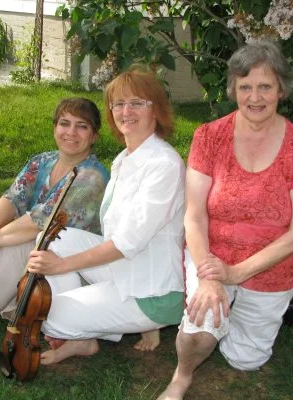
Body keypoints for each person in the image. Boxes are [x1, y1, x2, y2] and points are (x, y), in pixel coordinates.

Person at [158, 39, 293, 400]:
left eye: (265, 86)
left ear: (281, 89)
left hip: (271, 267)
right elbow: (195, 215)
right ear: (234, 89)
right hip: (213, 255)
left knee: (245, 361)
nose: (255, 97)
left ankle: (232, 316)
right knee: (198, 332)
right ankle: (182, 375)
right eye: (245, 87)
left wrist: (238, 275)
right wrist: (210, 276)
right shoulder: (209, 136)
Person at [25, 65, 186, 365]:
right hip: (125, 269)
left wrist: (63, 267)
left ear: (156, 110)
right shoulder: (124, 160)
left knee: (48, 315)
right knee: (51, 237)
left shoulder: (164, 164)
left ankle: (85, 325)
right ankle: (83, 336)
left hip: (153, 291)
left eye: (137, 103)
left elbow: (127, 243)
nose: (126, 111)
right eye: (119, 104)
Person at [0, 97, 109, 353]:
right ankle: (10, 305)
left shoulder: (91, 178)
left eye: (81, 126)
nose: (70, 132)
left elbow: (38, 224)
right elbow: (11, 200)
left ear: (94, 136)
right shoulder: (42, 161)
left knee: (21, 244)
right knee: (19, 243)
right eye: (64, 123)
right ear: (54, 128)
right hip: (43, 259)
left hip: (78, 271)